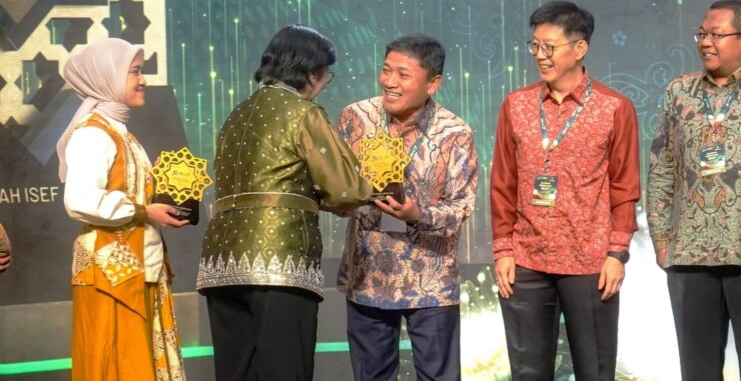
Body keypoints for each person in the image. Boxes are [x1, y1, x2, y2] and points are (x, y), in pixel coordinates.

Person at [196, 24, 374, 381]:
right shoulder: (304, 113)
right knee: (285, 370)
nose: (324, 84)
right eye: (326, 75)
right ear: (311, 73)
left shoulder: (235, 116)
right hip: (280, 261)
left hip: (221, 264)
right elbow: (346, 189)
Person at [647, 0, 741, 381]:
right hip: (689, 252)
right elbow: (662, 166)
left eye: (716, 35)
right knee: (696, 370)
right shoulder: (678, 92)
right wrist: (662, 238)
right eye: (702, 34)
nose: (705, 42)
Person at [491, 1, 640, 380]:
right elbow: (503, 182)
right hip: (526, 261)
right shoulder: (516, 105)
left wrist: (617, 253)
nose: (540, 56)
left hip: (590, 262)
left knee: (594, 369)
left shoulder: (614, 107)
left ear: (579, 48)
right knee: (528, 372)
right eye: (535, 46)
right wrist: (504, 250)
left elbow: (625, 186)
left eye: (550, 47)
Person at [336, 34, 478, 381]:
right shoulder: (356, 118)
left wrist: (418, 215)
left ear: (433, 83)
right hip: (368, 275)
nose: (390, 82)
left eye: (403, 74)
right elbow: (335, 184)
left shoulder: (454, 132)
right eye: (386, 70)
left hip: (431, 280)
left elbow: (462, 206)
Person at [57, 38, 188, 381]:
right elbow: (80, 199)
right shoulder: (92, 135)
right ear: (107, 77)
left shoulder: (122, 133)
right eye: (135, 72)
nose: (143, 80)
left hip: (135, 268)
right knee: (114, 365)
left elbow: (127, 191)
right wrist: (145, 212)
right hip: (110, 275)